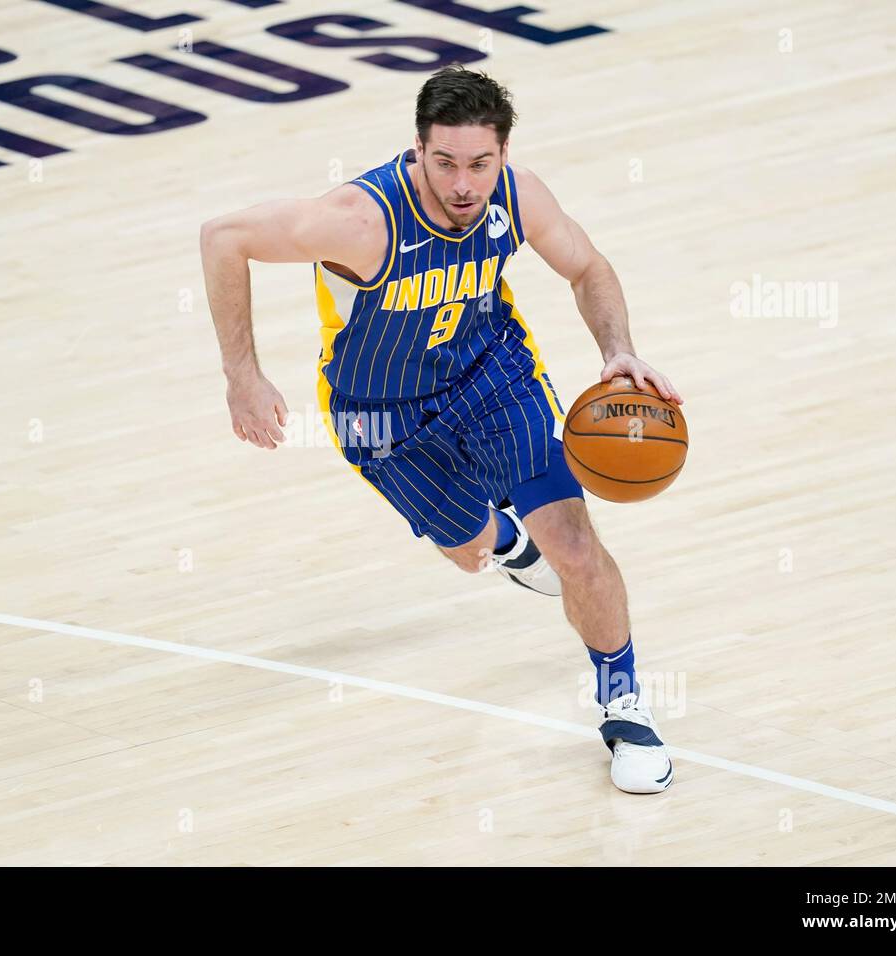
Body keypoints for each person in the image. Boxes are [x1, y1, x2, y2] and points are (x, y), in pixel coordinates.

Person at [199, 64, 684, 794]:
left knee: (576, 542)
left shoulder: (515, 198)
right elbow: (222, 236)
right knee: (468, 552)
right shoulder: (362, 221)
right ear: (418, 151)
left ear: (504, 155)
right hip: (378, 412)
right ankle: (507, 541)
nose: (463, 184)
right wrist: (242, 373)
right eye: (446, 163)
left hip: (491, 377)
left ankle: (625, 705)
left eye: (480, 165)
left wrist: (617, 350)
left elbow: (587, 267)